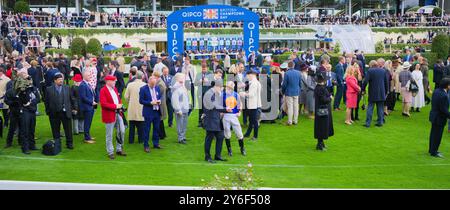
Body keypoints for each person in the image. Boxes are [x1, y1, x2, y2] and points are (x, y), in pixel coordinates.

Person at [45, 73, 77, 150]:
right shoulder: (49, 89)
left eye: (62, 80)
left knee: (68, 129)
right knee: (55, 129)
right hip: (54, 113)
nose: (61, 81)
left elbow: (72, 99)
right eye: (59, 80)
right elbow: (46, 101)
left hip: (66, 112)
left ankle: (69, 143)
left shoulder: (67, 88)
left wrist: (75, 108)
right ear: (55, 81)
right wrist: (48, 111)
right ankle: (57, 144)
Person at [100, 75, 127, 160]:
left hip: (118, 113)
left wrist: (120, 105)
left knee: (122, 131)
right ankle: (110, 152)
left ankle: (119, 149)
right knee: (109, 134)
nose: (115, 82)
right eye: (114, 81)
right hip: (109, 115)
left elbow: (118, 99)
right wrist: (116, 106)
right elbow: (103, 104)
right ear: (108, 81)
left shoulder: (114, 89)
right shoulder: (103, 90)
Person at [203, 79, 227, 163]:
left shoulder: (216, 94)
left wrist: (222, 112)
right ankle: (207, 156)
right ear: (217, 86)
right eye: (221, 87)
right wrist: (225, 110)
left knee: (220, 137)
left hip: (217, 119)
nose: (222, 89)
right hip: (210, 119)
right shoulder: (209, 94)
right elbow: (214, 106)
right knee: (209, 138)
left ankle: (217, 155)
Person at [16, 72, 40, 154]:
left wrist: (31, 103)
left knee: (32, 130)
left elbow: (39, 98)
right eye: (27, 79)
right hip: (25, 112)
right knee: (25, 130)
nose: (30, 80)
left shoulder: (34, 88)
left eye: (30, 79)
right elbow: (23, 101)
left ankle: (32, 145)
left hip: (32, 111)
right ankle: (25, 148)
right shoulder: (22, 89)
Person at [362, 60, 389, 127]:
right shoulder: (383, 71)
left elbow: (365, 81)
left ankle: (368, 123)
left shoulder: (370, 71)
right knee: (380, 108)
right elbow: (386, 82)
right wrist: (386, 91)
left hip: (373, 92)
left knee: (370, 108)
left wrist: (363, 89)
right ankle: (380, 122)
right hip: (381, 92)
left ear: (371, 65)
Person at [223, 81, 246, 156]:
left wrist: (240, 112)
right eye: (227, 87)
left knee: (239, 133)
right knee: (227, 134)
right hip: (226, 115)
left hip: (234, 115)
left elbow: (240, 104)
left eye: (230, 87)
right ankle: (229, 150)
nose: (228, 89)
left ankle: (242, 148)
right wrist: (224, 110)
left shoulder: (236, 95)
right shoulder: (222, 95)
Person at [140, 76, 163, 152]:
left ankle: (156, 143)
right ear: (149, 82)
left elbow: (159, 97)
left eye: (154, 84)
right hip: (148, 112)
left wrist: (159, 101)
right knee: (147, 129)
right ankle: (146, 145)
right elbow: (141, 101)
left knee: (156, 128)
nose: (154, 86)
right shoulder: (143, 89)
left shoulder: (157, 88)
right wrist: (150, 103)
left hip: (157, 111)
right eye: (152, 84)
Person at [428, 78, 450, 158]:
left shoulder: (436, 91)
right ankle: (434, 152)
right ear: (447, 85)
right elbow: (443, 110)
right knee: (437, 135)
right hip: (439, 117)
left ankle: (431, 149)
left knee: (433, 134)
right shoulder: (444, 95)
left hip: (434, 115)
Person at [314, 71, 334, 151]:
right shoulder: (320, 88)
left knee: (321, 126)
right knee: (322, 126)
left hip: (321, 109)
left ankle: (321, 143)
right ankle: (319, 144)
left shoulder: (319, 87)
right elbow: (323, 100)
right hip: (322, 109)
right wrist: (330, 98)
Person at [124, 71, 146, 144]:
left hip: (132, 107)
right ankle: (141, 140)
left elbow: (126, 97)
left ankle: (131, 140)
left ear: (136, 76)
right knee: (141, 125)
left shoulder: (130, 85)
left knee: (132, 126)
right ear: (142, 77)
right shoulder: (145, 85)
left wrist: (129, 102)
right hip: (141, 107)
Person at [243, 70, 261, 141]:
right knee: (251, 120)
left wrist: (243, 94)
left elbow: (251, 94)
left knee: (254, 121)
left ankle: (255, 136)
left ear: (251, 75)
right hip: (253, 104)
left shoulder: (254, 83)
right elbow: (252, 93)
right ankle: (247, 134)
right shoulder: (254, 82)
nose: (247, 78)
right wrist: (246, 92)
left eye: (248, 76)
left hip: (253, 104)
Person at [281, 61, 302, 125]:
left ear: (288, 66)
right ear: (294, 65)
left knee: (290, 107)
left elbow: (284, 84)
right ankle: (295, 121)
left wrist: (283, 91)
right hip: (296, 91)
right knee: (296, 107)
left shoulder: (287, 73)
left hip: (289, 92)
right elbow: (300, 83)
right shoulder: (298, 73)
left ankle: (290, 121)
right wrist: (299, 90)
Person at [171, 73, 190, 144]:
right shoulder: (176, 87)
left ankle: (183, 136)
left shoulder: (183, 86)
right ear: (178, 79)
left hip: (185, 108)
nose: (183, 79)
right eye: (182, 78)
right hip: (180, 109)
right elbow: (175, 100)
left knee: (185, 123)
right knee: (180, 124)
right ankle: (180, 138)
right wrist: (178, 109)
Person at [153, 71, 168, 140]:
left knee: (159, 120)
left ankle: (161, 135)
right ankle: (162, 134)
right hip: (160, 103)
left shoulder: (160, 84)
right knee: (160, 120)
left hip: (160, 104)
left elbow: (158, 94)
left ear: (156, 76)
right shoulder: (160, 82)